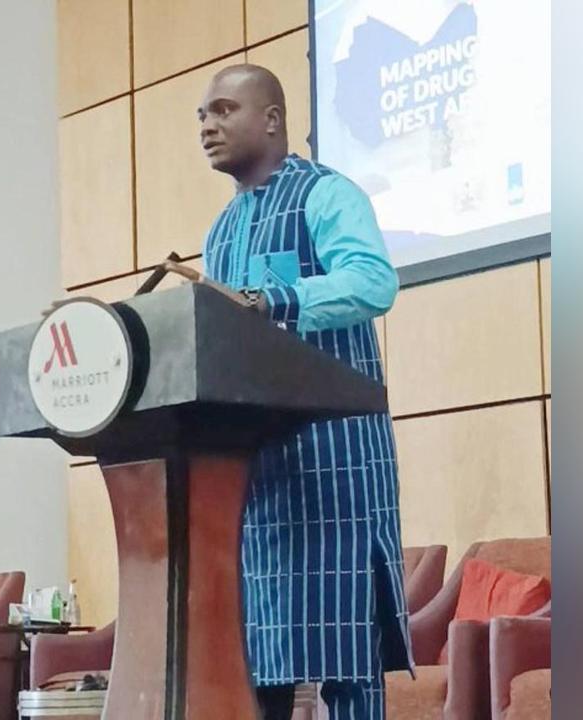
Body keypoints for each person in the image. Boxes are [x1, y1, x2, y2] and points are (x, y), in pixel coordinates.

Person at [166, 64, 412, 720]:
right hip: (258, 476)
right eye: (201, 116)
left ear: (272, 119)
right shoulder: (220, 231)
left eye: (223, 110)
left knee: (346, 661)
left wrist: (276, 298)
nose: (207, 126)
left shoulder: (326, 195)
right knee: (262, 661)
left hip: (335, 463)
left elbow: (373, 282)